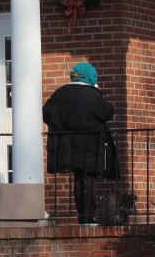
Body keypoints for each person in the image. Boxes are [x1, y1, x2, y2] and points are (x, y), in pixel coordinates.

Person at [42, 62, 117, 226]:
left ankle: (82, 215)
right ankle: (89, 216)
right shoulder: (92, 94)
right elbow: (107, 112)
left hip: (67, 145)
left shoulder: (60, 93)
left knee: (78, 179)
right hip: (90, 144)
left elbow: (47, 114)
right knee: (88, 178)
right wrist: (98, 91)